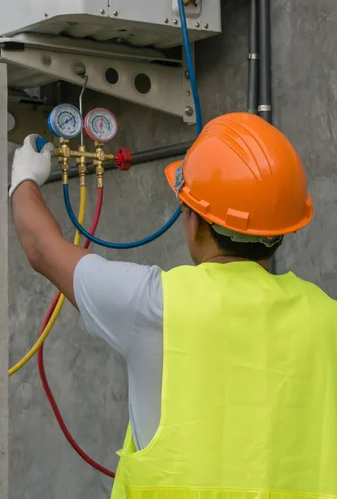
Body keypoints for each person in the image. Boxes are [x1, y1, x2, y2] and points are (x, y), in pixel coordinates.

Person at [10, 112, 337, 499]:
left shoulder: (155, 305)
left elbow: (41, 247)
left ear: (195, 222)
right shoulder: (326, 319)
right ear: (281, 231)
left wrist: (23, 179)